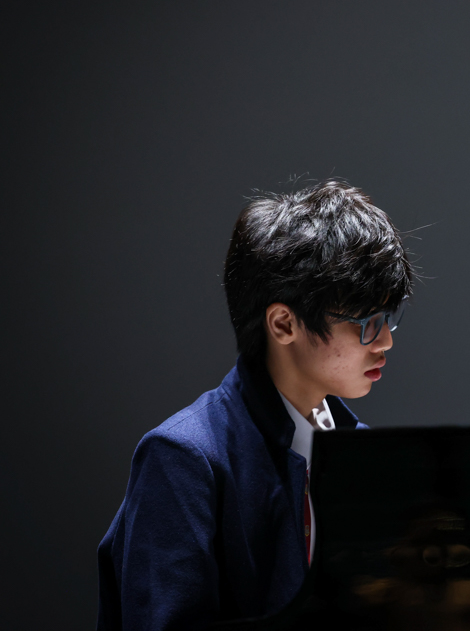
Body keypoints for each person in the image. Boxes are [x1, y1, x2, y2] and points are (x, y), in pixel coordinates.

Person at [97, 179, 415, 630]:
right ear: (283, 324)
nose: (384, 341)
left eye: (388, 318)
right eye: (366, 322)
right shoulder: (183, 458)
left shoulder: (363, 454)